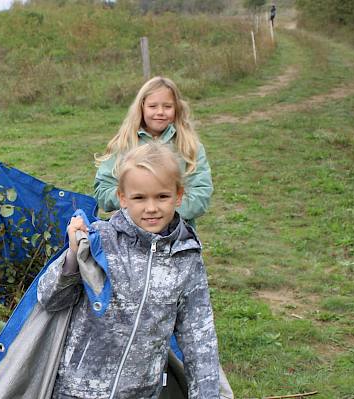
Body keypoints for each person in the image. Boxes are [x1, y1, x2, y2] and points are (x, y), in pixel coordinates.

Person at [38, 142, 220, 398]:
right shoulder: (99, 241)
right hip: (77, 390)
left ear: (178, 195)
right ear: (122, 198)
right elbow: (49, 299)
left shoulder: (186, 257)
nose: (151, 208)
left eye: (162, 196)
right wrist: (72, 257)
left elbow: (199, 338)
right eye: (139, 197)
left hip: (141, 393)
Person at [94, 76, 212, 228]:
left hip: (177, 237)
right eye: (153, 106)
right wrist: (135, 204)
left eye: (167, 106)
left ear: (176, 108)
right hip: (130, 237)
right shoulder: (123, 144)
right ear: (141, 107)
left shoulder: (190, 146)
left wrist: (164, 213)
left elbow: (201, 194)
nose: (160, 112)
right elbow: (103, 190)